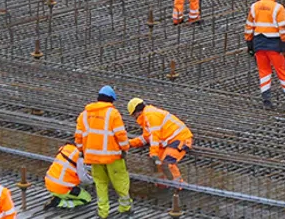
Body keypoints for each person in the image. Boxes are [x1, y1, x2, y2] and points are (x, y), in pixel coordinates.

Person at [74, 86, 132, 218]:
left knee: (100, 184)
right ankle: (125, 207)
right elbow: (121, 135)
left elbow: (78, 136)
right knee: (121, 182)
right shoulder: (113, 114)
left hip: (93, 158)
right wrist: (125, 148)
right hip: (113, 157)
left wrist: (81, 150)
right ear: (111, 100)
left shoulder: (84, 115)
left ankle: (103, 212)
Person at [244, 0, 285, 110]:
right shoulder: (278, 8)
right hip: (275, 45)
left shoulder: (254, 7)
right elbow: (283, 30)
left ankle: (266, 101)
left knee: (264, 72)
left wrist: (250, 45)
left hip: (258, 44)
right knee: (283, 71)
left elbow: (248, 28)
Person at [126, 98, 193, 182]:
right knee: (157, 164)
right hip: (169, 141)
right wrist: (130, 143)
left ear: (135, 113)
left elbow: (154, 135)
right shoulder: (146, 117)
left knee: (167, 164)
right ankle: (163, 186)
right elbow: (147, 137)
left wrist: (153, 153)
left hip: (181, 139)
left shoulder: (150, 115)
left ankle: (180, 188)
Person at [44, 143, 92, 209]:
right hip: (61, 188)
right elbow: (83, 179)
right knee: (87, 198)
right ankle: (60, 203)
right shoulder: (79, 156)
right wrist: (94, 180)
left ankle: (58, 196)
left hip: (49, 184)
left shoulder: (66, 148)